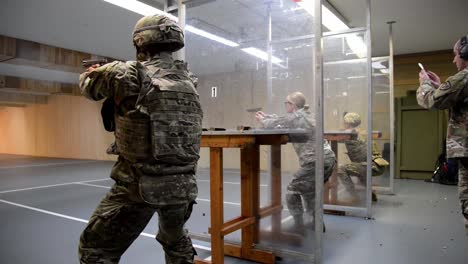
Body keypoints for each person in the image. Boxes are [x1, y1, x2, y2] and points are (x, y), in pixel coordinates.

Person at [78, 15, 203, 263]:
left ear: (140, 41)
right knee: (176, 242)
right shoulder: (189, 80)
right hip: (183, 185)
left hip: (138, 185)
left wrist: (98, 72)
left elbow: (88, 88)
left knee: (96, 250)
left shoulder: (124, 73)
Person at [255, 91, 336, 233]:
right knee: (309, 190)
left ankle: (298, 225)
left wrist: (263, 120)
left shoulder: (297, 116)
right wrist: (267, 117)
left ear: (292, 105)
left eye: (286, 103)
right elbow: (282, 120)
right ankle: (316, 222)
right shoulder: (304, 115)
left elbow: (275, 124)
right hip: (327, 159)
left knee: (292, 190)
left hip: (314, 162)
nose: (285, 105)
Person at [416, 35, 468, 232]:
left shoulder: (464, 76)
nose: (454, 60)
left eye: (456, 55)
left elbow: (431, 101)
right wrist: (440, 86)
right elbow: (455, 98)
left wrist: (425, 83)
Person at [337, 112, 389, 203]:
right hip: (377, 165)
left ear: (348, 123)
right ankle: (371, 194)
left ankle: (353, 196)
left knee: (340, 169)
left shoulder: (350, 133)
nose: (344, 124)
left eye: (345, 122)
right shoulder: (363, 131)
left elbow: (336, 138)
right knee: (359, 170)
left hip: (370, 166)